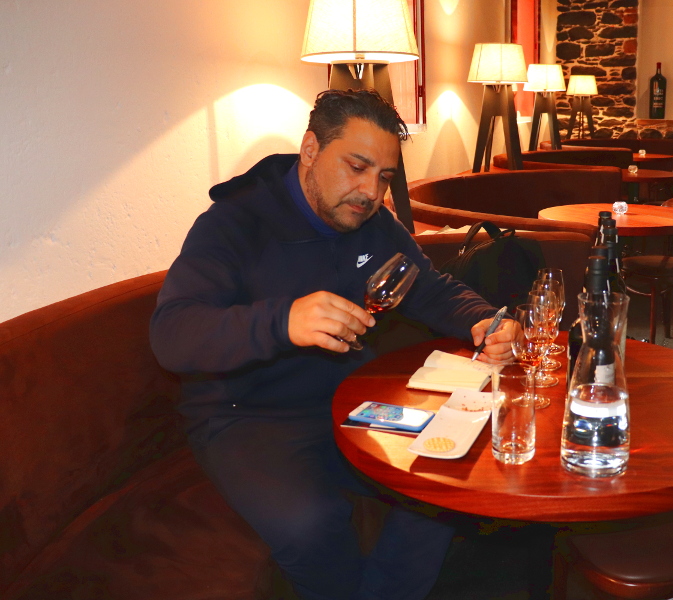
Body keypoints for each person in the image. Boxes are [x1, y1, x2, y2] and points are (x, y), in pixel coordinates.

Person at [149, 88, 515, 600]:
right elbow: (172, 333)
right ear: (310, 150)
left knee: (442, 485)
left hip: (350, 402)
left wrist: (485, 320)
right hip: (245, 416)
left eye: (384, 177)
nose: (371, 191)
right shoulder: (233, 223)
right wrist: (283, 321)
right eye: (357, 167)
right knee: (312, 523)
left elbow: (430, 288)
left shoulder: (374, 223)